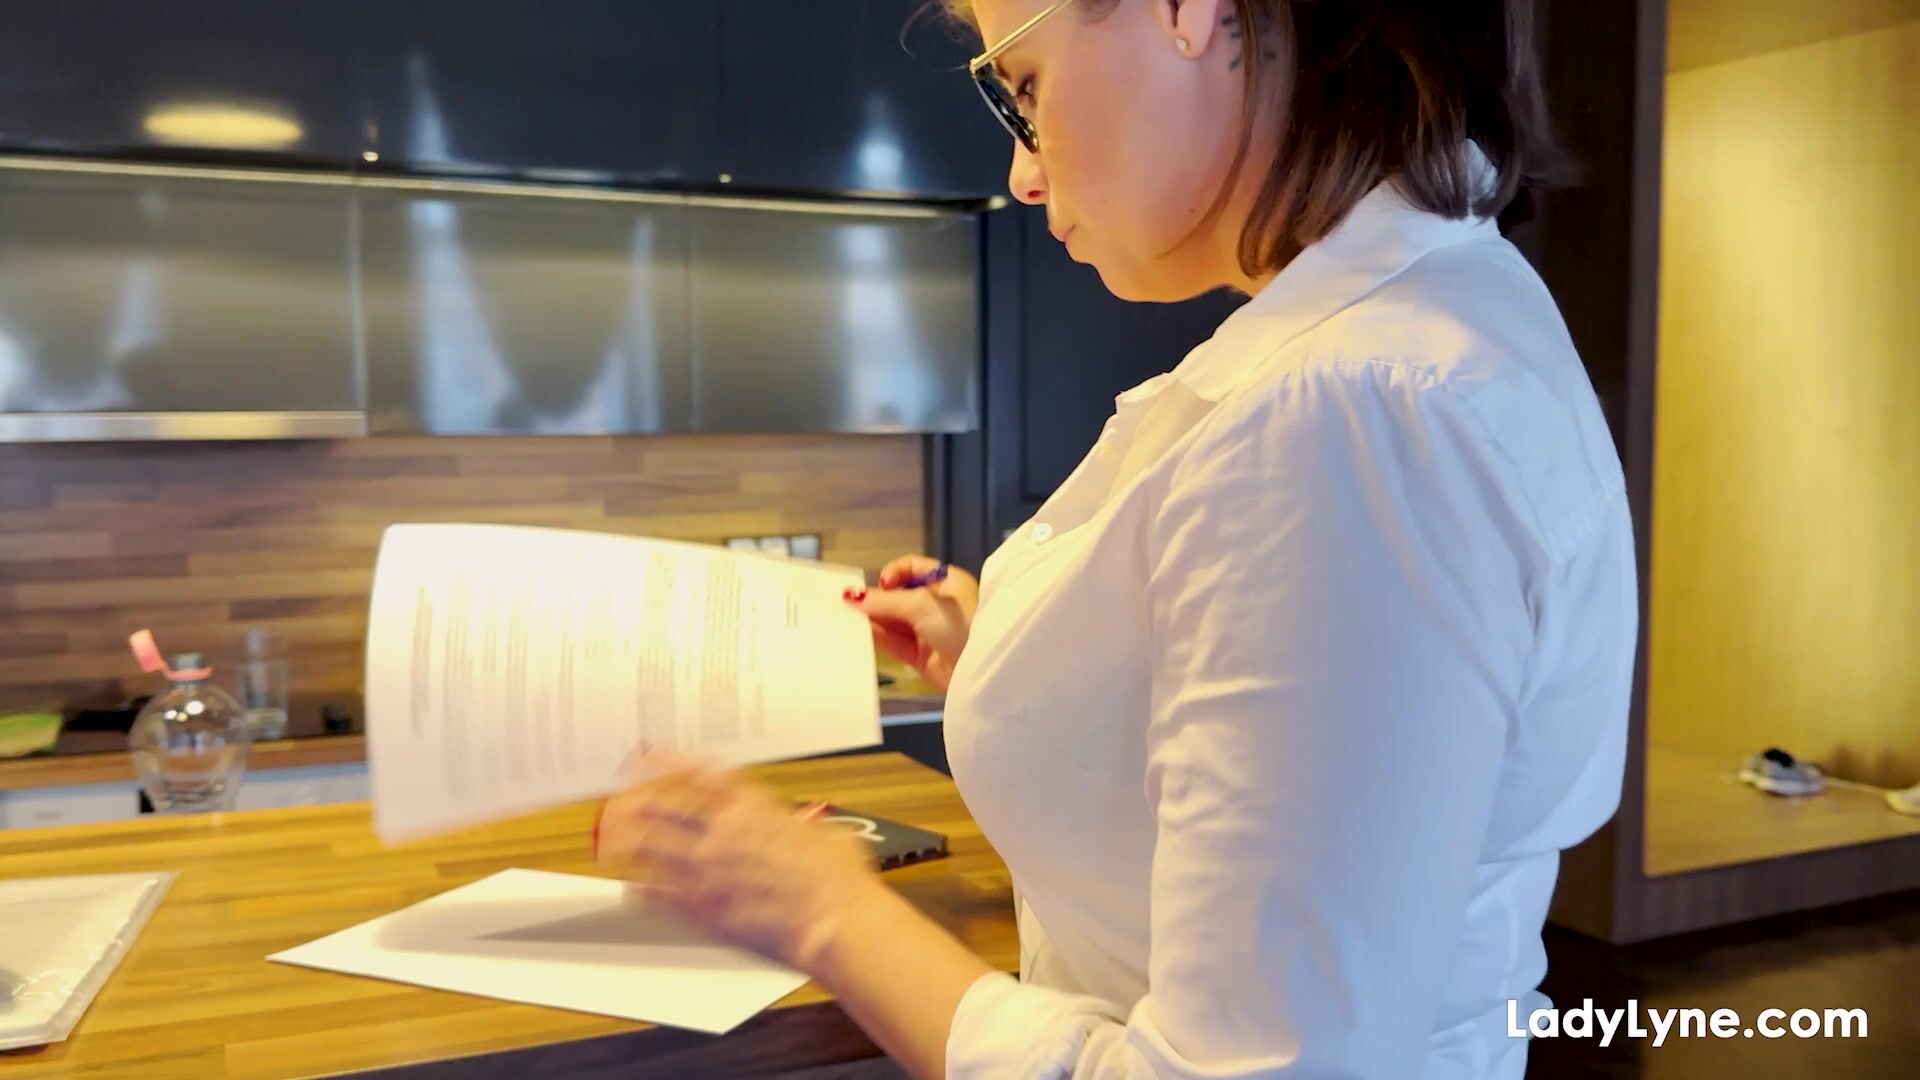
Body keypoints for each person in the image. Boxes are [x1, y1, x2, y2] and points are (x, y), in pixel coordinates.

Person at [594, 0, 1637, 1076]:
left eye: (1023, 88)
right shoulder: (1433, 325)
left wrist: (812, 904)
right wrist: (1044, 663)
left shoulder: (1350, 415)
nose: (1022, 175)